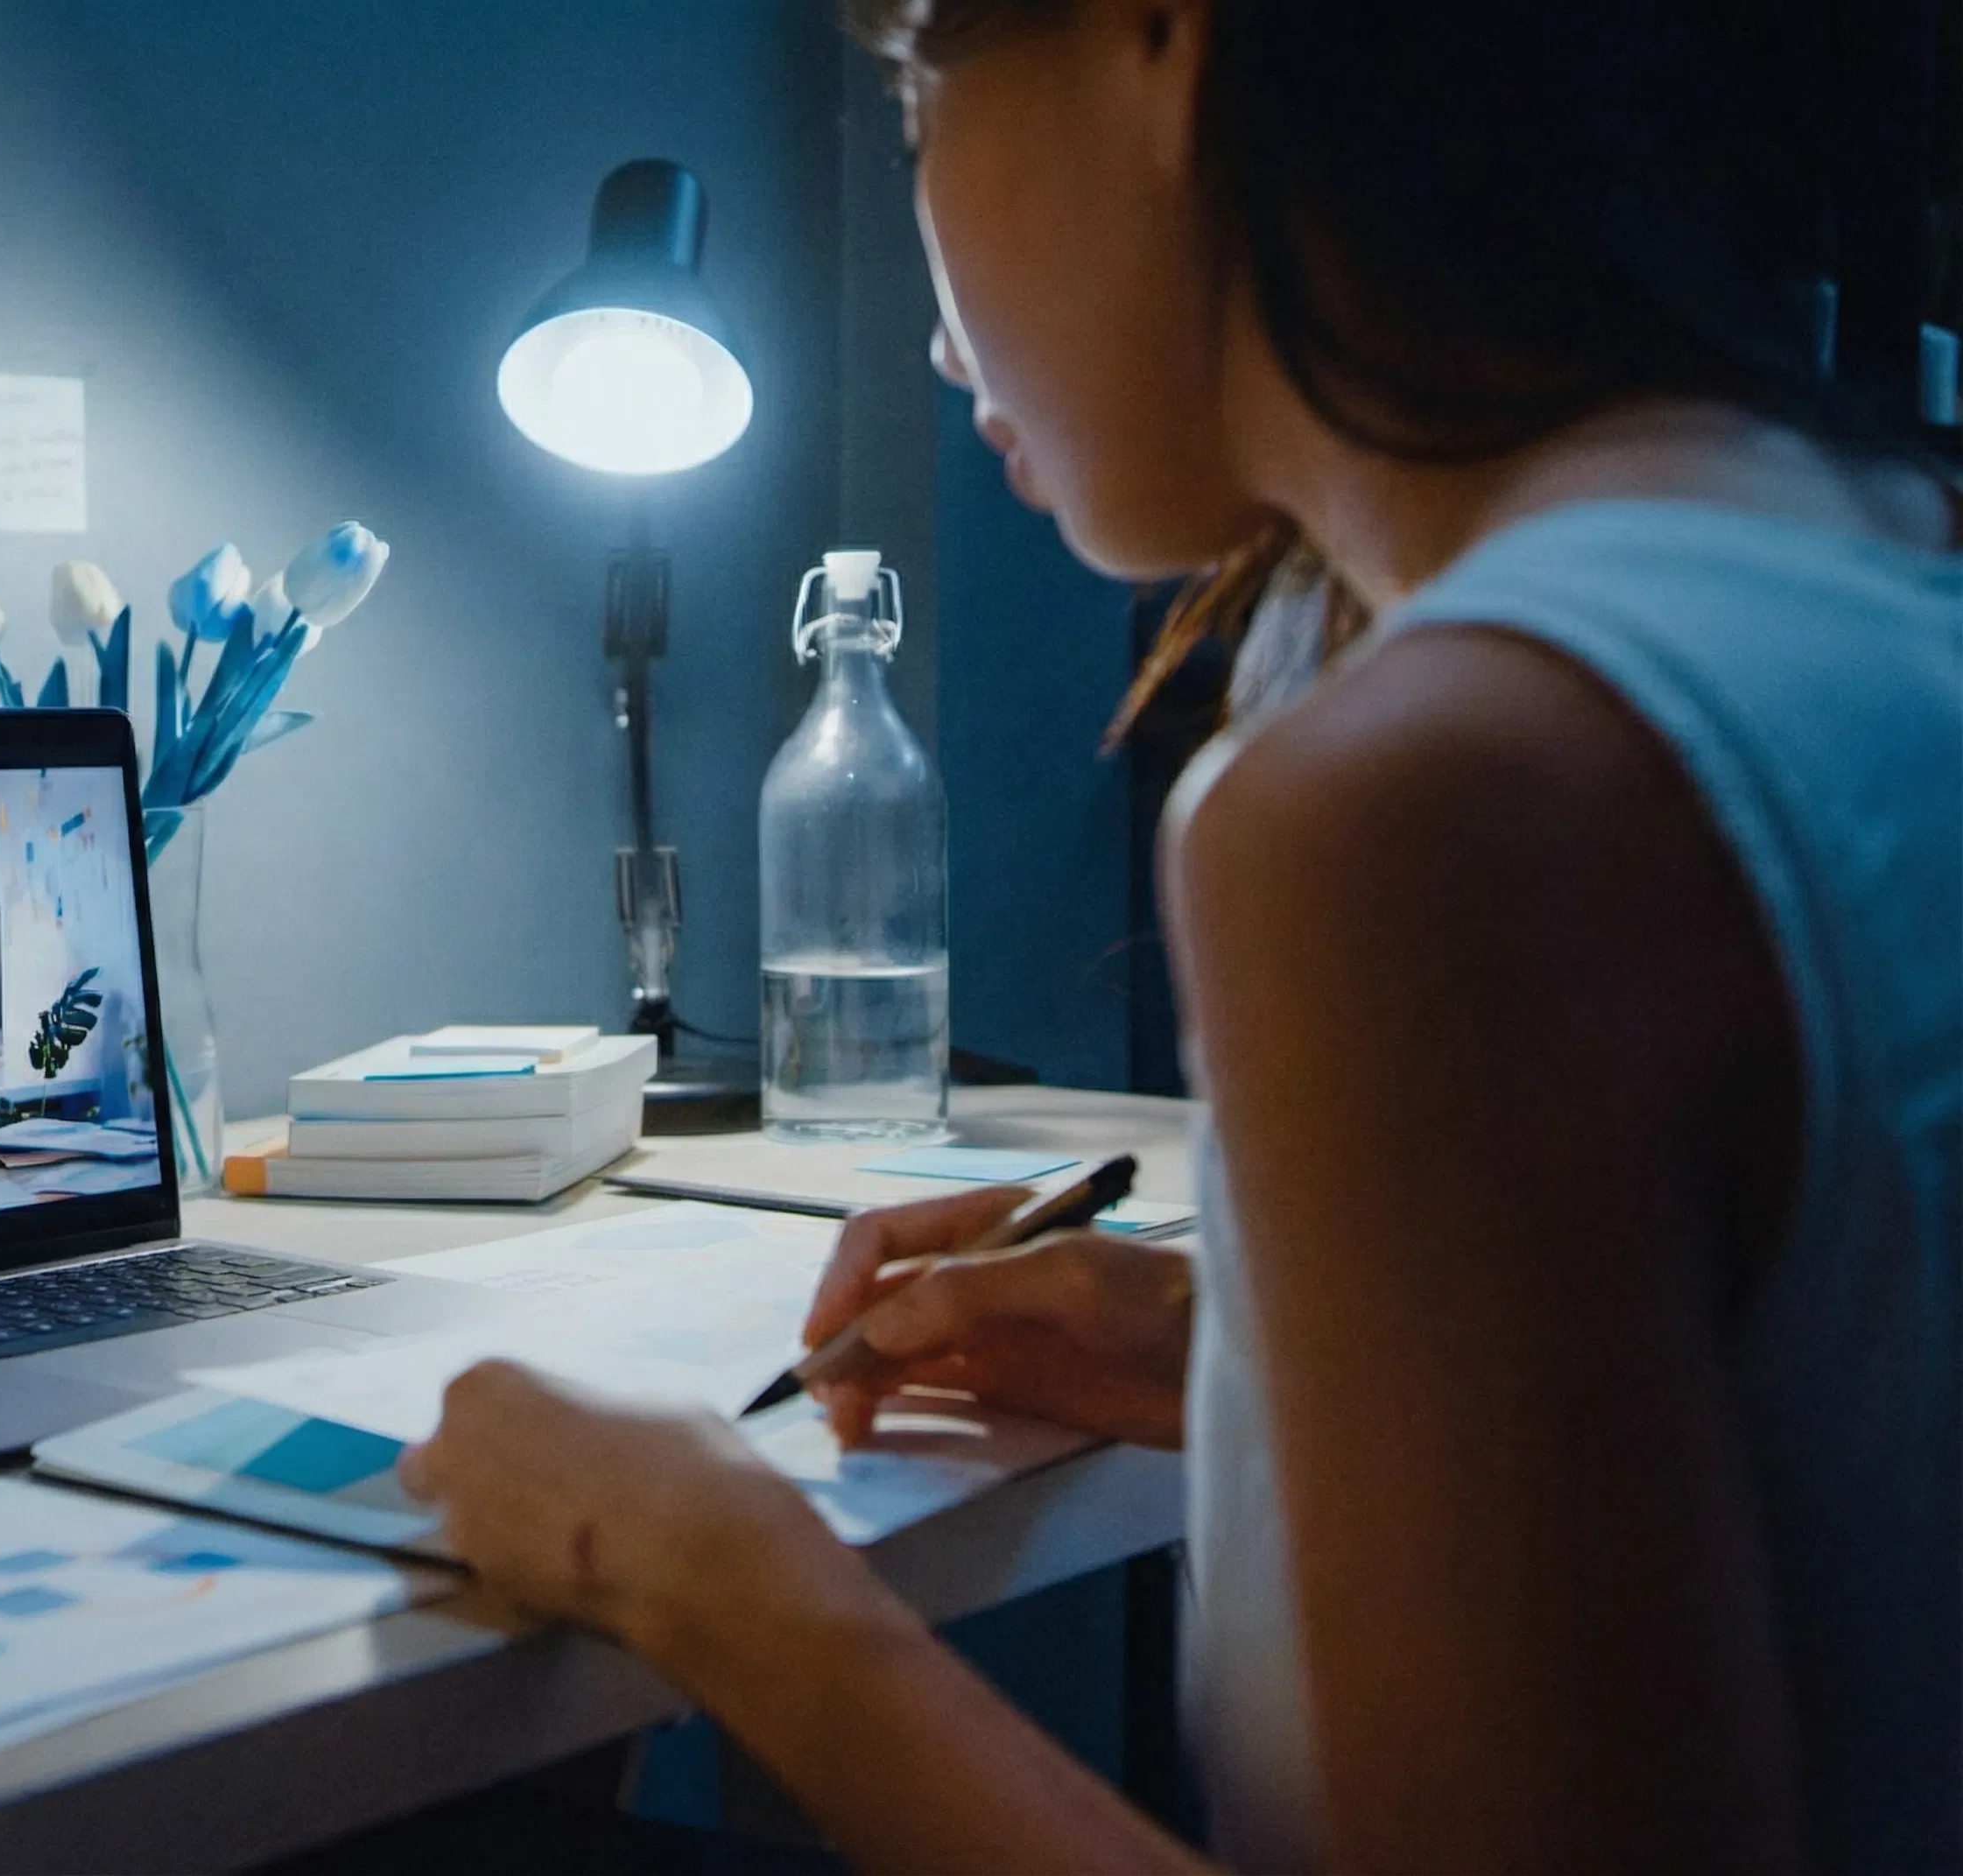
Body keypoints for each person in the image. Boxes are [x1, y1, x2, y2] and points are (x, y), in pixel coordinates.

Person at [399, 1, 1959, 1870]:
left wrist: (704, 1569)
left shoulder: (1426, 798)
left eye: (915, 91)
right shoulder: (1867, 571)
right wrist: (1230, 1346)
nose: (931, 324)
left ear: (1167, 40)